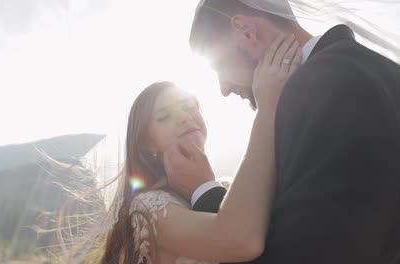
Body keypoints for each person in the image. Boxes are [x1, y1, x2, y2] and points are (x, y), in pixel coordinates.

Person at [164, 1, 400, 263]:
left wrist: (205, 193)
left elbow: (302, 252)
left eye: (218, 67)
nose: (224, 89)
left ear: (245, 31)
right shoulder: (377, 67)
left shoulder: (317, 88)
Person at [80, 36, 300, 264]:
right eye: (164, 117)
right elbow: (241, 241)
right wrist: (267, 107)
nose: (184, 118)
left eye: (188, 107)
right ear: (148, 142)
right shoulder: (149, 206)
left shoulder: (226, 185)